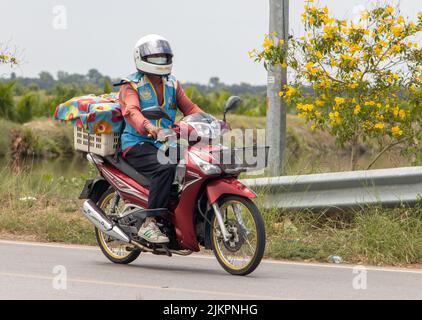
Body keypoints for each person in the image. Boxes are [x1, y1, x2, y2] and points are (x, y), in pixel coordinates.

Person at [118, 34, 203, 244]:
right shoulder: (131, 84)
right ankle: (150, 222)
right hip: (138, 143)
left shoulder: (173, 84)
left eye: (164, 57)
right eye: (155, 57)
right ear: (141, 58)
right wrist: (149, 127)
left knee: (197, 163)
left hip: (166, 143)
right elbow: (131, 111)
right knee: (165, 166)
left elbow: (190, 108)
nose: (161, 61)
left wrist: (209, 122)